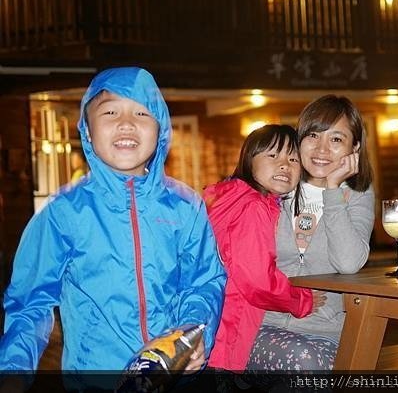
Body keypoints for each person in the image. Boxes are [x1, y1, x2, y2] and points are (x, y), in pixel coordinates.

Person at [0, 67, 226, 390]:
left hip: (171, 378)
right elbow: (30, 301)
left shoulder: (186, 206)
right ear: (88, 131)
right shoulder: (63, 212)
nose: (126, 123)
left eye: (141, 112)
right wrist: (13, 370)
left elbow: (204, 281)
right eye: (109, 111)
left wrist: (195, 328)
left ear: (160, 130)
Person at [248, 95, 375, 371]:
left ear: (354, 147)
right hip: (261, 327)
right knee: (306, 366)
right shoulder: (275, 187)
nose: (321, 149)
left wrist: (333, 191)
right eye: (313, 135)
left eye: (337, 140)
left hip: (328, 334)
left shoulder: (357, 195)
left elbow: (349, 262)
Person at [204, 124, 324, 373]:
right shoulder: (253, 207)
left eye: (293, 158)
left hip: (208, 325)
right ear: (249, 159)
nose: (285, 164)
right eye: (273, 155)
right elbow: (257, 280)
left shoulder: (229, 196)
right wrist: (302, 300)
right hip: (227, 333)